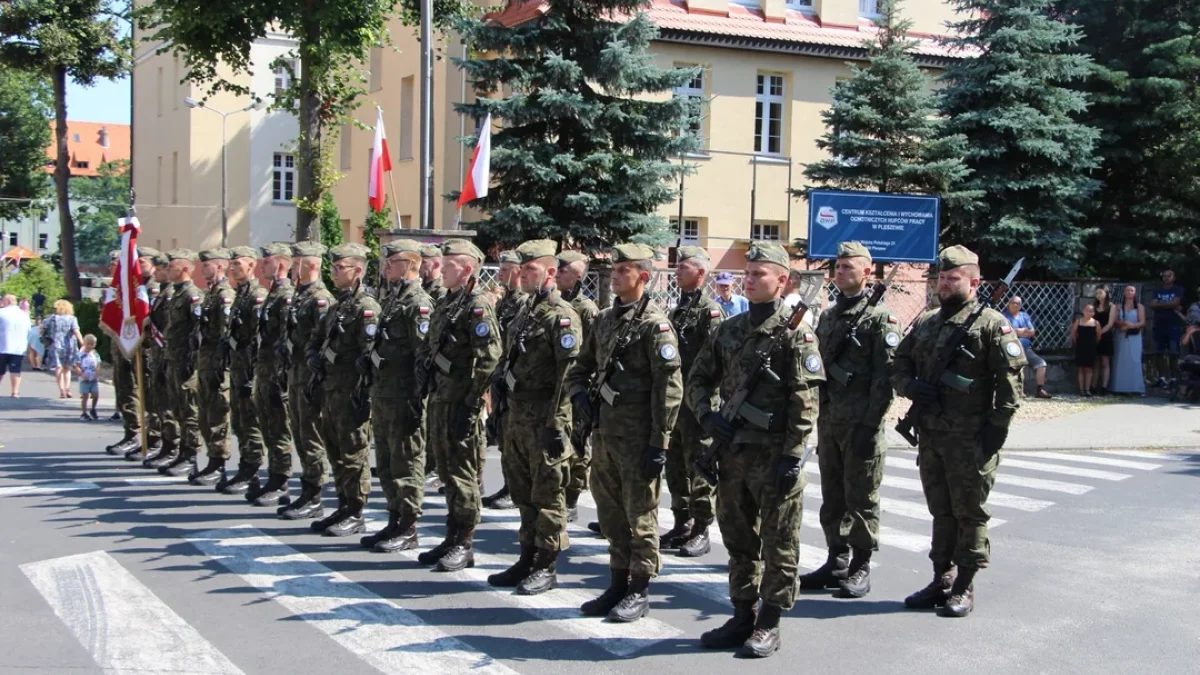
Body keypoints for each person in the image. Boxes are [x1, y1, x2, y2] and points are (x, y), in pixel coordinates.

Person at [685, 243, 822, 657]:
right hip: (732, 453)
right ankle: (743, 613)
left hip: (775, 452)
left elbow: (806, 401)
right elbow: (697, 378)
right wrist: (708, 418)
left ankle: (770, 622)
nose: (750, 279)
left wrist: (793, 455)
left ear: (783, 281)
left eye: (760, 273)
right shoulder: (728, 329)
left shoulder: (797, 333)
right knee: (739, 538)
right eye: (748, 273)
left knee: (779, 541)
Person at [891, 245, 1025, 619]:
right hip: (932, 434)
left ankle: (965, 584)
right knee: (941, 511)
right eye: (941, 278)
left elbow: (1011, 387)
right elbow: (898, 363)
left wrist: (993, 435)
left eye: (953, 278)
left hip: (971, 438)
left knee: (970, 512)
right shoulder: (928, 321)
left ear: (974, 282)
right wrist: (909, 387)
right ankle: (941, 578)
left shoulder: (991, 324)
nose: (945, 284)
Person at [566, 243, 682, 624]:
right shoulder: (603, 319)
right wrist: (580, 395)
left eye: (624, 270)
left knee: (641, 516)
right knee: (611, 514)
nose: (615, 275)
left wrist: (660, 442)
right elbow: (580, 367)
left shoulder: (655, 325)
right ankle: (617, 582)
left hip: (638, 439)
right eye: (614, 270)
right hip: (605, 434)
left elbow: (669, 388)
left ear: (643, 277)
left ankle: (640, 588)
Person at [801, 242, 897, 599]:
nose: (840, 272)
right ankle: (836, 560)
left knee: (862, 499)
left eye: (848, 267)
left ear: (867, 273)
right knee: (833, 498)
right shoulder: (828, 317)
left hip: (861, 426)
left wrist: (870, 425)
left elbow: (884, 379)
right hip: (830, 424)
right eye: (837, 267)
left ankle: (860, 565)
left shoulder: (881, 319)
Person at [486, 239, 581, 595]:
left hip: (544, 418)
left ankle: (546, 563)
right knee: (523, 493)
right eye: (522, 269)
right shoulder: (526, 311)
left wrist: (557, 424)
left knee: (547, 494)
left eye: (531, 269)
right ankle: (527, 555)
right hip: (517, 416)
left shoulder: (562, 317)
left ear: (551, 273)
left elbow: (567, 375)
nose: (523, 275)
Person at [415, 239, 501, 570]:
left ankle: (464, 542)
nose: (440, 268)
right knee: (448, 473)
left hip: (460, 401)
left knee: (463, 473)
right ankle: (451, 536)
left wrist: (471, 400)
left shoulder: (477, 305)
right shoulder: (449, 303)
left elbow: (489, 356)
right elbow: (431, 345)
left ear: (466, 269)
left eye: (448, 264)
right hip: (440, 397)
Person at [358, 240, 432, 553]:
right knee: (387, 463)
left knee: (406, 463)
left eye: (392, 262)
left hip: (404, 397)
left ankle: (408, 526)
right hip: (385, 395)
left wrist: (417, 399)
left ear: (410, 265)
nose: (386, 267)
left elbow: (422, 355)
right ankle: (393, 519)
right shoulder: (393, 299)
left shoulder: (418, 303)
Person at [305, 243, 381, 538]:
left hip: (351, 392)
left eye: (340, 268)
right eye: (333, 267)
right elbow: (316, 337)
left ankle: (356, 510)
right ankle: (342, 503)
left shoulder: (367, 308)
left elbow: (371, 353)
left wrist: (363, 392)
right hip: (331, 390)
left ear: (358, 271)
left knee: (353, 454)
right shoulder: (338, 306)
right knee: (335, 451)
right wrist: (314, 356)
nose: (333, 272)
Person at [660, 246, 723, 558]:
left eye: (683, 267)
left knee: (699, 465)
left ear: (701, 273)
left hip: (699, 403)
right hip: (676, 401)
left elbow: (718, 360)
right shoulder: (677, 310)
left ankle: (701, 528)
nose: (677, 271)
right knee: (675, 466)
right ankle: (681, 522)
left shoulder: (710, 312)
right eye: (677, 267)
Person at [279, 242, 335, 520]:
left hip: (311, 379)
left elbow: (324, 340)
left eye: (296, 261)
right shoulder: (300, 297)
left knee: (311, 436)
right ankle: (306, 491)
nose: (291, 267)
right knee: (301, 435)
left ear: (311, 265)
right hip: (296, 376)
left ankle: (315, 494)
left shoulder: (320, 299)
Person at [174, 248, 235, 483]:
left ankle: (218, 463)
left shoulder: (224, 295)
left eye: (207, 265)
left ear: (219, 267)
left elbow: (225, 333)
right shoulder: (211, 293)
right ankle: (211, 459)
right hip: (206, 362)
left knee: (218, 413)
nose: (202, 269)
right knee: (206, 413)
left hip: (218, 366)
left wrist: (221, 364)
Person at [243, 243, 296, 506]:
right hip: (265, 371)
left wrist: (280, 375)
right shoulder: (274, 293)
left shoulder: (286, 295)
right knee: (269, 427)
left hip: (277, 374)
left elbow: (286, 339)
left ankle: (281, 481)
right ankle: (273, 477)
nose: (262, 265)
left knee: (279, 429)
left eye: (268, 261)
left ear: (283, 264)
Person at [218, 247, 268, 495]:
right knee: (238, 421)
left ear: (251, 265)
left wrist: (253, 373)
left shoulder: (258, 296)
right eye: (231, 264)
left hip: (249, 369)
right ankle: (245, 466)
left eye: (237, 263)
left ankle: (253, 471)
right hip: (237, 368)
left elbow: (259, 338)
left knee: (251, 423)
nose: (233, 267)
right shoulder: (241, 294)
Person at [149, 249, 204, 472]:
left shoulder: (192, 294)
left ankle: (191, 455)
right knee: (178, 408)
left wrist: (193, 358)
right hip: (172, 358)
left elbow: (198, 329)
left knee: (189, 410)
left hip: (186, 362)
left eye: (172, 266)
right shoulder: (177, 294)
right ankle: (180, 451)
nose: (167, 269)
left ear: (184, 268)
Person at [557, 250, 600, 524]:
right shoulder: (557, 303)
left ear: (578, 276)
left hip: (579, 388)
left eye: (564, 270)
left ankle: (572, 499)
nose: (558, 273)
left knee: (579, 446)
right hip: (560, 388)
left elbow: (593, 352)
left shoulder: (586, 308)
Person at [483, 249, 527, 511]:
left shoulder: (522, 303)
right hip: (500, 378)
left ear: (518, 272)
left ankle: (515, 489)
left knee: (513, 438)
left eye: (505, 269)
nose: (500, 273)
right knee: (503, 436)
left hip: (513, 381)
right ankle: (508, 485)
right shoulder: (504, 302)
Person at [140, 249, 179, 465]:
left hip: (169, 355)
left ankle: (173, 446)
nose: (159, 272)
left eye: (163, 268)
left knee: (170, 405)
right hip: (158, 354)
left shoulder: (171, 293)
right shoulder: (163, 292)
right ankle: (165, 443)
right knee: (158, 401)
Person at [1002, 296, 1051, 399]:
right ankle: (1019, 391)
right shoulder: (1004, 316)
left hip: (1026, 349)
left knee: (1041, 364)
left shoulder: (1025, 316)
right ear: (1009, 303)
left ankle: (1039, 390)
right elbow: (1005, 332)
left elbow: (1032, 332)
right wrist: (1021, 331)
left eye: (1018, 303)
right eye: (1013, 302)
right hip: (1012, 349)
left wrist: (1017, 332)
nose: (1015, 305)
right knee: (1019, 367)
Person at [42, 299, 83, 399]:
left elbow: (42, 329)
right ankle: (68, 388)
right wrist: (82, 343)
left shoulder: (52, 318)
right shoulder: (72, 319)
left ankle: (61, 391)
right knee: (67, 368)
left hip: (55, 345)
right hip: (69, 345)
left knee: (58, 368)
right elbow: (76, 331)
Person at [1151, 268, 1184, 387]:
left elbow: (1175, 303)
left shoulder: (1178, 290)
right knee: (1158, 353)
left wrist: (1160, 304)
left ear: (1173, 277)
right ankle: (1162, 378)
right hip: (1159, 325)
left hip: (1173, 325)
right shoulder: (1157, 290)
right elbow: (1152, 304)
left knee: (1173, 353)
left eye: (1168, 276)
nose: (1166, 278)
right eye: (1164, 276)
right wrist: (1169, 305)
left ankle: (1174, 379)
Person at [1111, 284, 1146, 396]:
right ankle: (1119, 388)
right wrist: (1123, 323)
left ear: (1135, 293)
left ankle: (1136, 388)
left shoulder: (1139, 307)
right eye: (1127, 290)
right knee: (1120, 360)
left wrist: (1131, 326)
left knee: (1135, 360)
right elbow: (1114, 321)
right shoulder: (1118, 306)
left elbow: (1142, 322)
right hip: (1121, 335)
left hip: (1135, 336)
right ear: (1124, 292)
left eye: (1132, 290)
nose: (1129, 292)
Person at [0, 294, 32, 397]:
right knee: (16, 370)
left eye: (3, 300)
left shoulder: (1, 313)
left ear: (7, 301)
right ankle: (15, 391)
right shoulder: (24, 315)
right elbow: (29, 330)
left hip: (2, 346)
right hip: (19, 347)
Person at [1092, 286, 1116, 395]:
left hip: (1105, 335)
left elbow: (1110, 323)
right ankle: (1093, 386)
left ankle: (1104, 387)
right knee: (1096, 362)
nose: (1098, 295)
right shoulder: (1094, 306)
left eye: (1100, 293)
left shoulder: (1111, 307)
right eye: (1097, 293)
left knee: (1105, 362)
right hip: (1094, 336)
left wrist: (1100, 332)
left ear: (1106, 294)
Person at [1072, 304, 1099, 397]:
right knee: (1081, 368)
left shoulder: (1096, 323)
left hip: (1091, 348)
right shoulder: (1078, 321)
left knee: (1089, 369)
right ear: (1083, 311)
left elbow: (1098, 336)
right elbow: (1074, 334)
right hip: (1080, 347)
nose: (1089, 313)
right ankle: (1081, 389)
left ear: (1094, 313)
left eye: (1091, 311)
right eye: (1087, 310)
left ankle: (1087, 389)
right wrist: (1078, 342)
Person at [74, 334, 101, 420]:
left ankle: (93, 409)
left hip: (93, 379)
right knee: (85, 396)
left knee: (95, 394)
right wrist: (81, 374)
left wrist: (96, 374)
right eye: (88, 343)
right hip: (84, 378)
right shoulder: (80, 354)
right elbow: (77, 366)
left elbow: (98, 365)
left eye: (92, 344)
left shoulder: (95, 354)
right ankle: (84, 412)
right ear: (84, 343)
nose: (90, 346)